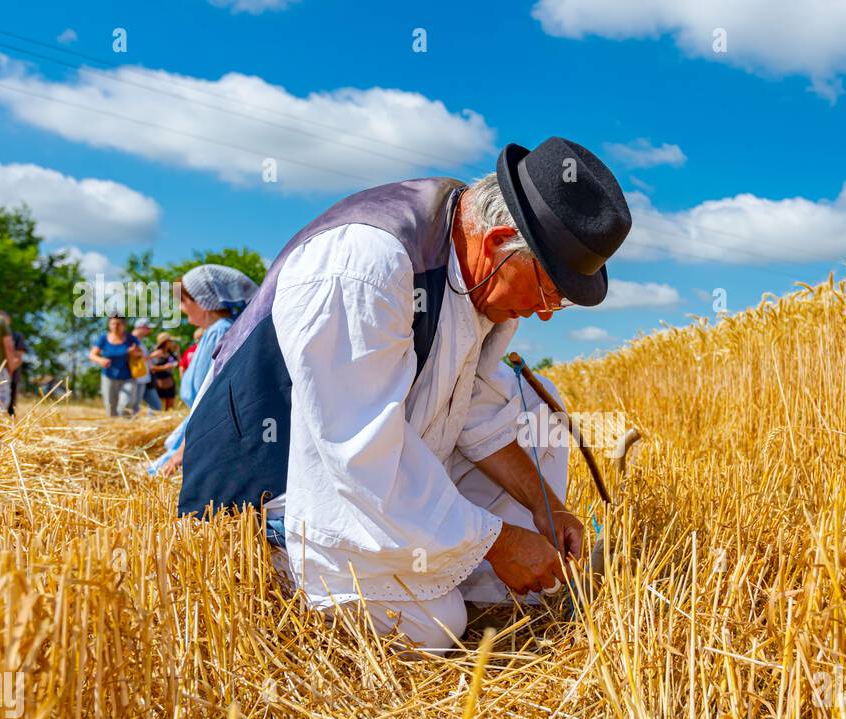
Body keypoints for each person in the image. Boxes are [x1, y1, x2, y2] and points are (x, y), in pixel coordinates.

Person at [178, 137, 632, 654]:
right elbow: (361, 452)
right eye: (549, 290)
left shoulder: (475, 262)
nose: (546, 313)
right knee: (435, 625)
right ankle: (294, 564)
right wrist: (497, 540)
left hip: (371, 460)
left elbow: (475, 414)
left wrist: (548, 511)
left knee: (535, 405)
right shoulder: (366, 263)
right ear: (499, 239)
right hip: (277, 488)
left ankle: (469, 576)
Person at [149, 265, 258, 475]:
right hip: (199, 432)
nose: (181, 308)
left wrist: (182, 452)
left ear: (203, 300)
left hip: (206, 435)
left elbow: (210, 400)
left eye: (183, 301)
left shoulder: (220, 333)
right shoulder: (215, 332)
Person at [89, 315, 144, 416]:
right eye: (113, 324)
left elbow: (141, 354)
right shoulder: (103, 338)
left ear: (124, 325)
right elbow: (92, 355)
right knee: (110, 407)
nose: (115, 326)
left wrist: (134, 353)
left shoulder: (131, 339)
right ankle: (113, 428)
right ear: (109, 325)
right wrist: (100, 360)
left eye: (118, 324)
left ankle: (126, 427)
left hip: (128, 377)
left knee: (125, 405)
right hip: (108, 377)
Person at [0, 312, 30, 415]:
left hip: (11, 375)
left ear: (9, 322)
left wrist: (8, 371)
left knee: (10, 406)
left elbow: (18, 357)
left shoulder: (16, 336)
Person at [130, 318, 162, 413]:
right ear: (140, 327)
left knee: (138, 407)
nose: (150, 330)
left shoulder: (139, 341)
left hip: (143, 378)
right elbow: (134, 359)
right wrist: (153, 355)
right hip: (136, 379)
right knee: (133, 407)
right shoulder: (131, 341)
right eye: (147, 328)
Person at [148, 332, 180, 410]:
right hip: (158, 385)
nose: (172, 343)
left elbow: (178, 363)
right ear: (165, 342)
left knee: (170, 408)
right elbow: (150, 367)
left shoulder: (170, 353)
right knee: (157, 408)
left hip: (170, 384)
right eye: (170, 341)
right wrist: (164, 367)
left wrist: (177, 351)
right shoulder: (156, 353)